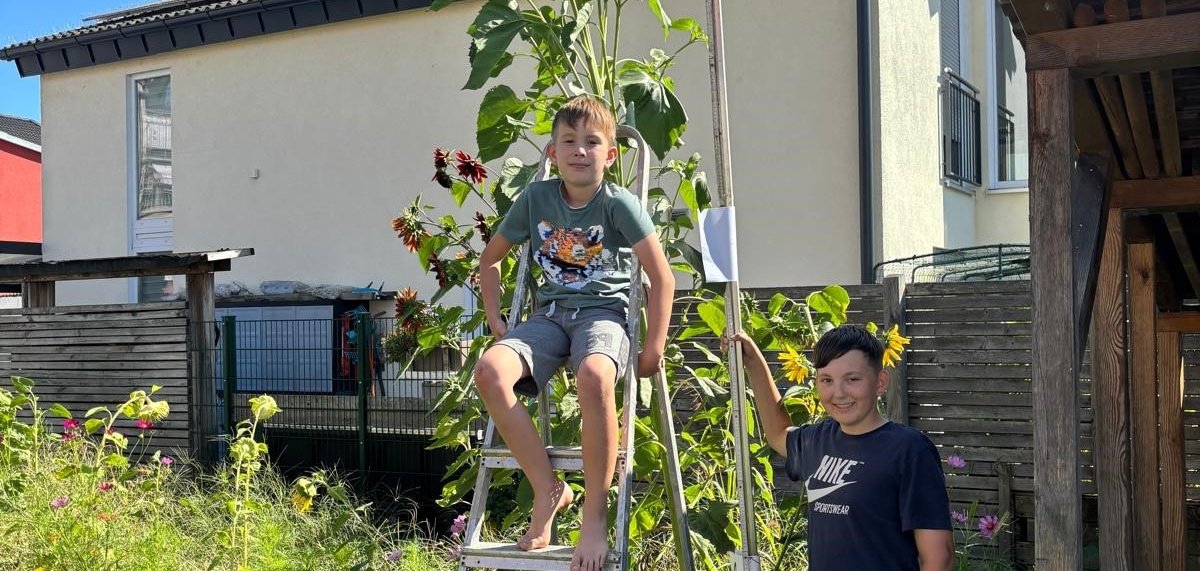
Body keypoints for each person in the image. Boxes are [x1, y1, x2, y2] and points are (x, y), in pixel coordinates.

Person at [474, 95, 675, 571]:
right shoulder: (536, 199)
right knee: (489, 371)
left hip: (604, 316)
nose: (580, 151)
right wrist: (495, 318)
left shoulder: (618, 204)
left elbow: (661, 276)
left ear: (611, 155)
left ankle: (594, 517)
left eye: (592, 142)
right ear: (552, 152)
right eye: (569, 141)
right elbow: (490, 259)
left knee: (595, 375)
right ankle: (548, 489)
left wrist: (653, 347)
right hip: (550, 316)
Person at [725, 326, 954, 571]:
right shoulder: (817, 440)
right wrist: (753, 362)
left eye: (852, 379)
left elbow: (939, 558)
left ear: (880, 382)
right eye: (827, 380)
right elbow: (777, 433)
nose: (839, 393)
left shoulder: (910, 450)